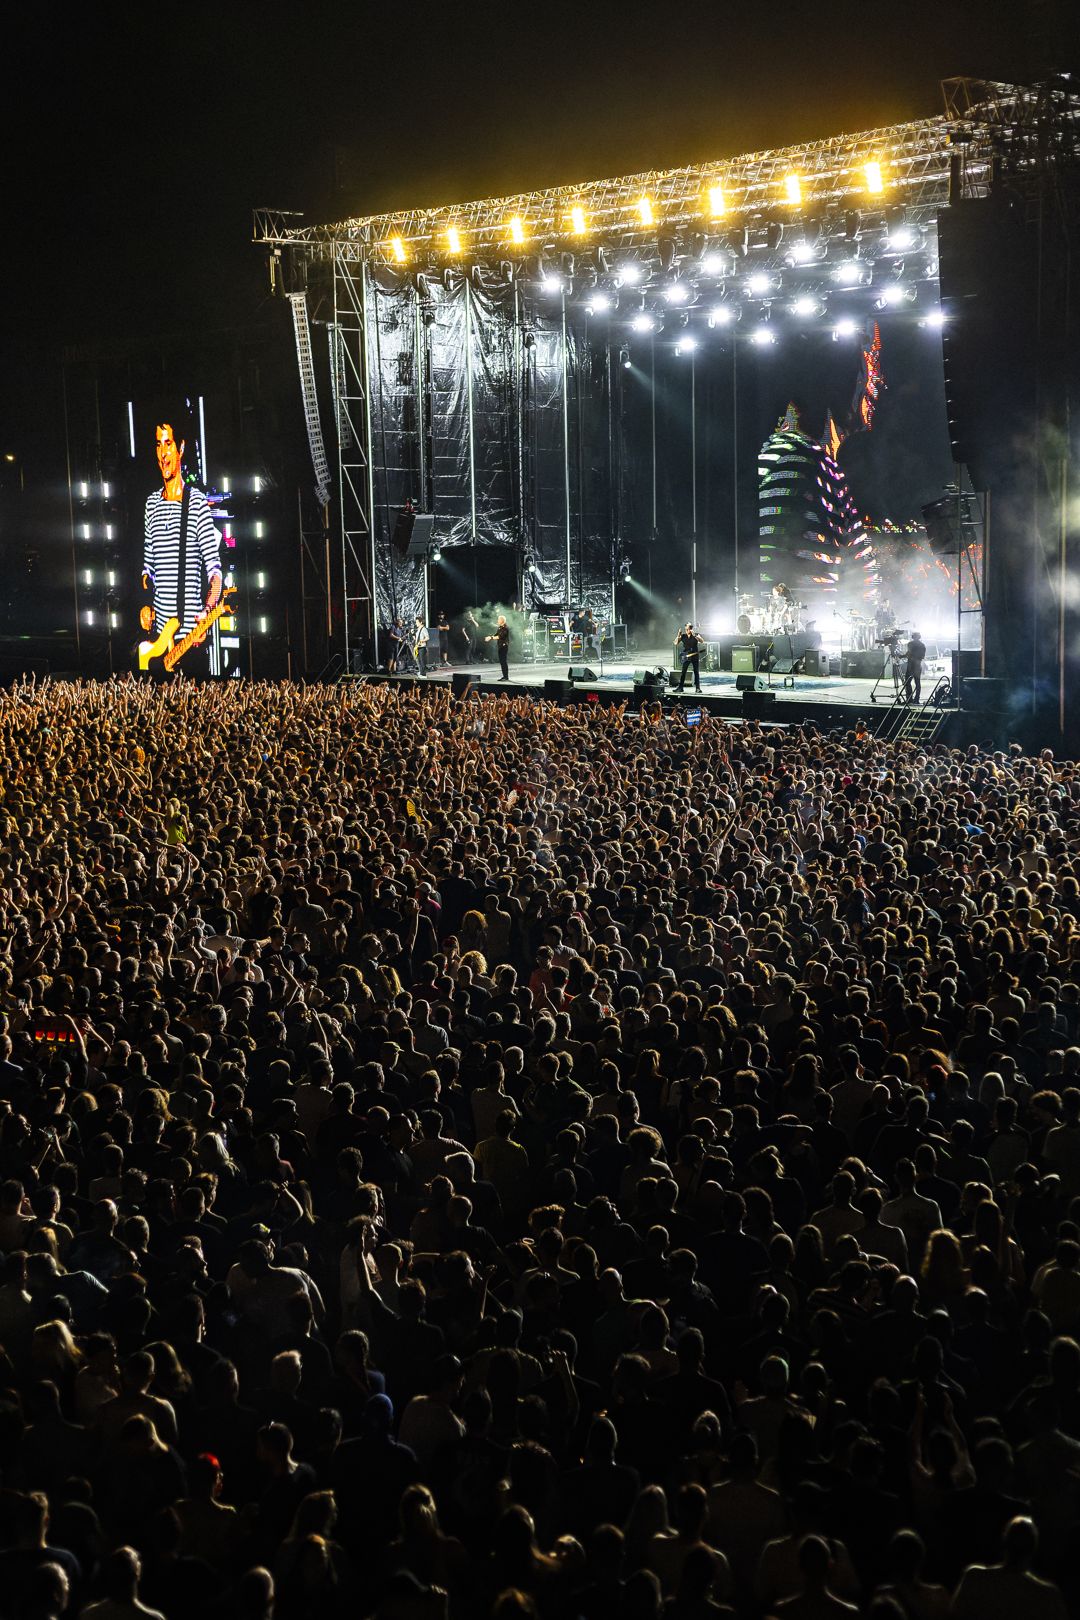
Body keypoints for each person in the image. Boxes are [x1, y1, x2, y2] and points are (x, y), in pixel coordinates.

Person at [140, 410, 223, 676]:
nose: (163, 453)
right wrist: (145, 603)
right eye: (158, 444)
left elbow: (215, 571)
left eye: (168, 443)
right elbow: (147, 569)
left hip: (190, 642)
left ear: (181, 448)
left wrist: (208, 611)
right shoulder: (151, 504)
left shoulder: (196, 502)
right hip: (159, 642)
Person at [676, 624, 701, 693]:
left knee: (696, 672)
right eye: (686, 629)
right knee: (683, 672)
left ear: (691, 629)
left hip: (694, 656)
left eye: (688, 629)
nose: (687, 630)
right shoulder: (683, 636)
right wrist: (679, 634)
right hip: (686, 656)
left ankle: (698, 688)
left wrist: (695, 635)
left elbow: (702, 641)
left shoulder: (695, 635)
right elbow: (676, 643)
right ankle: (680, 687)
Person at [904, 629, 926, 704]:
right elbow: (922, 656)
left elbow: (909, 653)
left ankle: (909, 698)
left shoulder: (910, 644)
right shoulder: (922, 645)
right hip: (918, 665)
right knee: (917, 683)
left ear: (913, 637)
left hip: (911, 664)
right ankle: (917, 699)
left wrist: (902, 656)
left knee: (907, 681)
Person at [487, 616, 510, 681]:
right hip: (500, 646)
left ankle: (506, 677)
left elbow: (500, 636)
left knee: (503, 661)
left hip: (504, 646)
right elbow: (496, 635)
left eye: (498, 620)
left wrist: (490, 638)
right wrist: (490, 637)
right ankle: (504, 676)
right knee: (502, 662)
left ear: (502, 620)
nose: (497, 621)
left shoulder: (505, 628)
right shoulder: (500, 627)